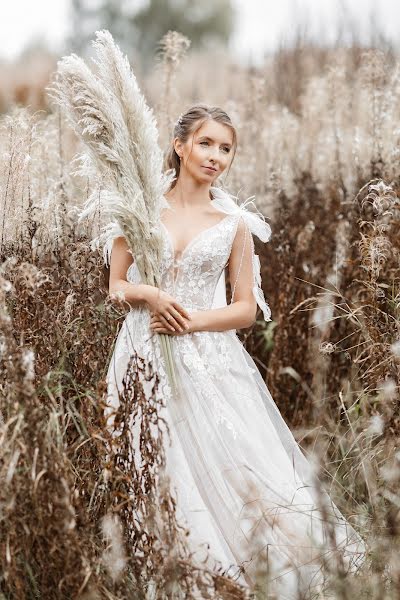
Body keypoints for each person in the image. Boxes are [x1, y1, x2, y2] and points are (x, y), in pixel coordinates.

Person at [104, 104, 367, 598]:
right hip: (141, 349)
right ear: (180, 146)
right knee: (154, 457)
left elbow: (246, 309)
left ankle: (243, 569)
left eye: (226, 149)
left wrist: (191, 322)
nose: (216, 156)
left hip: (210, 358)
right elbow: (116, 285)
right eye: (206, 143)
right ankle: (163, 563)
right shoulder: (137, 205)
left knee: (235, 458)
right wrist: (150, 294)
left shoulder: (234, 222)